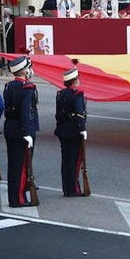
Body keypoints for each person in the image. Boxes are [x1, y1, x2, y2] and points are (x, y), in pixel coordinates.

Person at [2, 56, 39, 207]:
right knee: (22, 166)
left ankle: (15, 196)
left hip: (11, 128)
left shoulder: (9, 86)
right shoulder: (26, 88)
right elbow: (25, 112)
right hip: (22, 130)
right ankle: (18, 198)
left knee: (14, 165)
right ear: (23, 70)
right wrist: (27, 133)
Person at [54, 64, 88, 197]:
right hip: (74, 131)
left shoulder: (60, 94)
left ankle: (66, 187)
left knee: (66, 160)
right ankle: (73, 189)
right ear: (74, 81)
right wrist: (82, 129)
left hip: (62, 130)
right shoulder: (77, 94)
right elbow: (79, 114)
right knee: (74, 161)